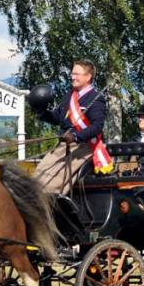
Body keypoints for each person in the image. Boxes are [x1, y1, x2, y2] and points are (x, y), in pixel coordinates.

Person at [30, 60, 113, 195]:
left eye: (77, 74)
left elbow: (97, 127)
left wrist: (75, 136)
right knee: (38, 176)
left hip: (84, 147)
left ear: (88, 77)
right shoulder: (69, 95)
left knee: (51, 184)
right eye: (72, 73)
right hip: (63, 146)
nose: (72, 77)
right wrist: (42, 112)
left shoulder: (96, 98)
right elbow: (58, 118)